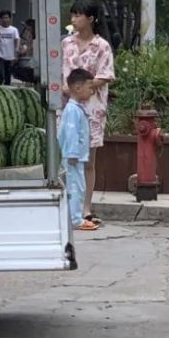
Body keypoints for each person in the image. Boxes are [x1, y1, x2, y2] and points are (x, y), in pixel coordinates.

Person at [61, 0, 115, 227]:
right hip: (68, 107)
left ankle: (85, 208)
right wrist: (66, 89)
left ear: (91, 19)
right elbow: (58, 72)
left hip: (92, 109)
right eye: (73, 15)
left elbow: (105, 75)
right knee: (67, 157)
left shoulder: (101, 46)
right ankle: (66, 207)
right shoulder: (66, 44)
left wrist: (81, 87)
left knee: (88, 160)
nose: (74, 20)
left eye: (78, 15)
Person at [59, 68, 96, 231]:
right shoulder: (73, 110)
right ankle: (75, 219)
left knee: (78, 186)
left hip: (77, 156)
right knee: (76, 187)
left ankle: (75, 216)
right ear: (77, 88)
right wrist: (73, 153)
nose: (92, 91)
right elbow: (71, 133)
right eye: (89, 87)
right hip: (73, 157)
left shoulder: (76, 108)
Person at [0, 10, 21, 85]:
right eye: (3, 18)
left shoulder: (14, 30)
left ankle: (6, 89)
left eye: (7, 17)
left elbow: (17, 39)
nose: (5, 20)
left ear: (9, 19)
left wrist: (17, 49)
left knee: (8, 77)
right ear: (0, 19)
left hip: (10, 56)